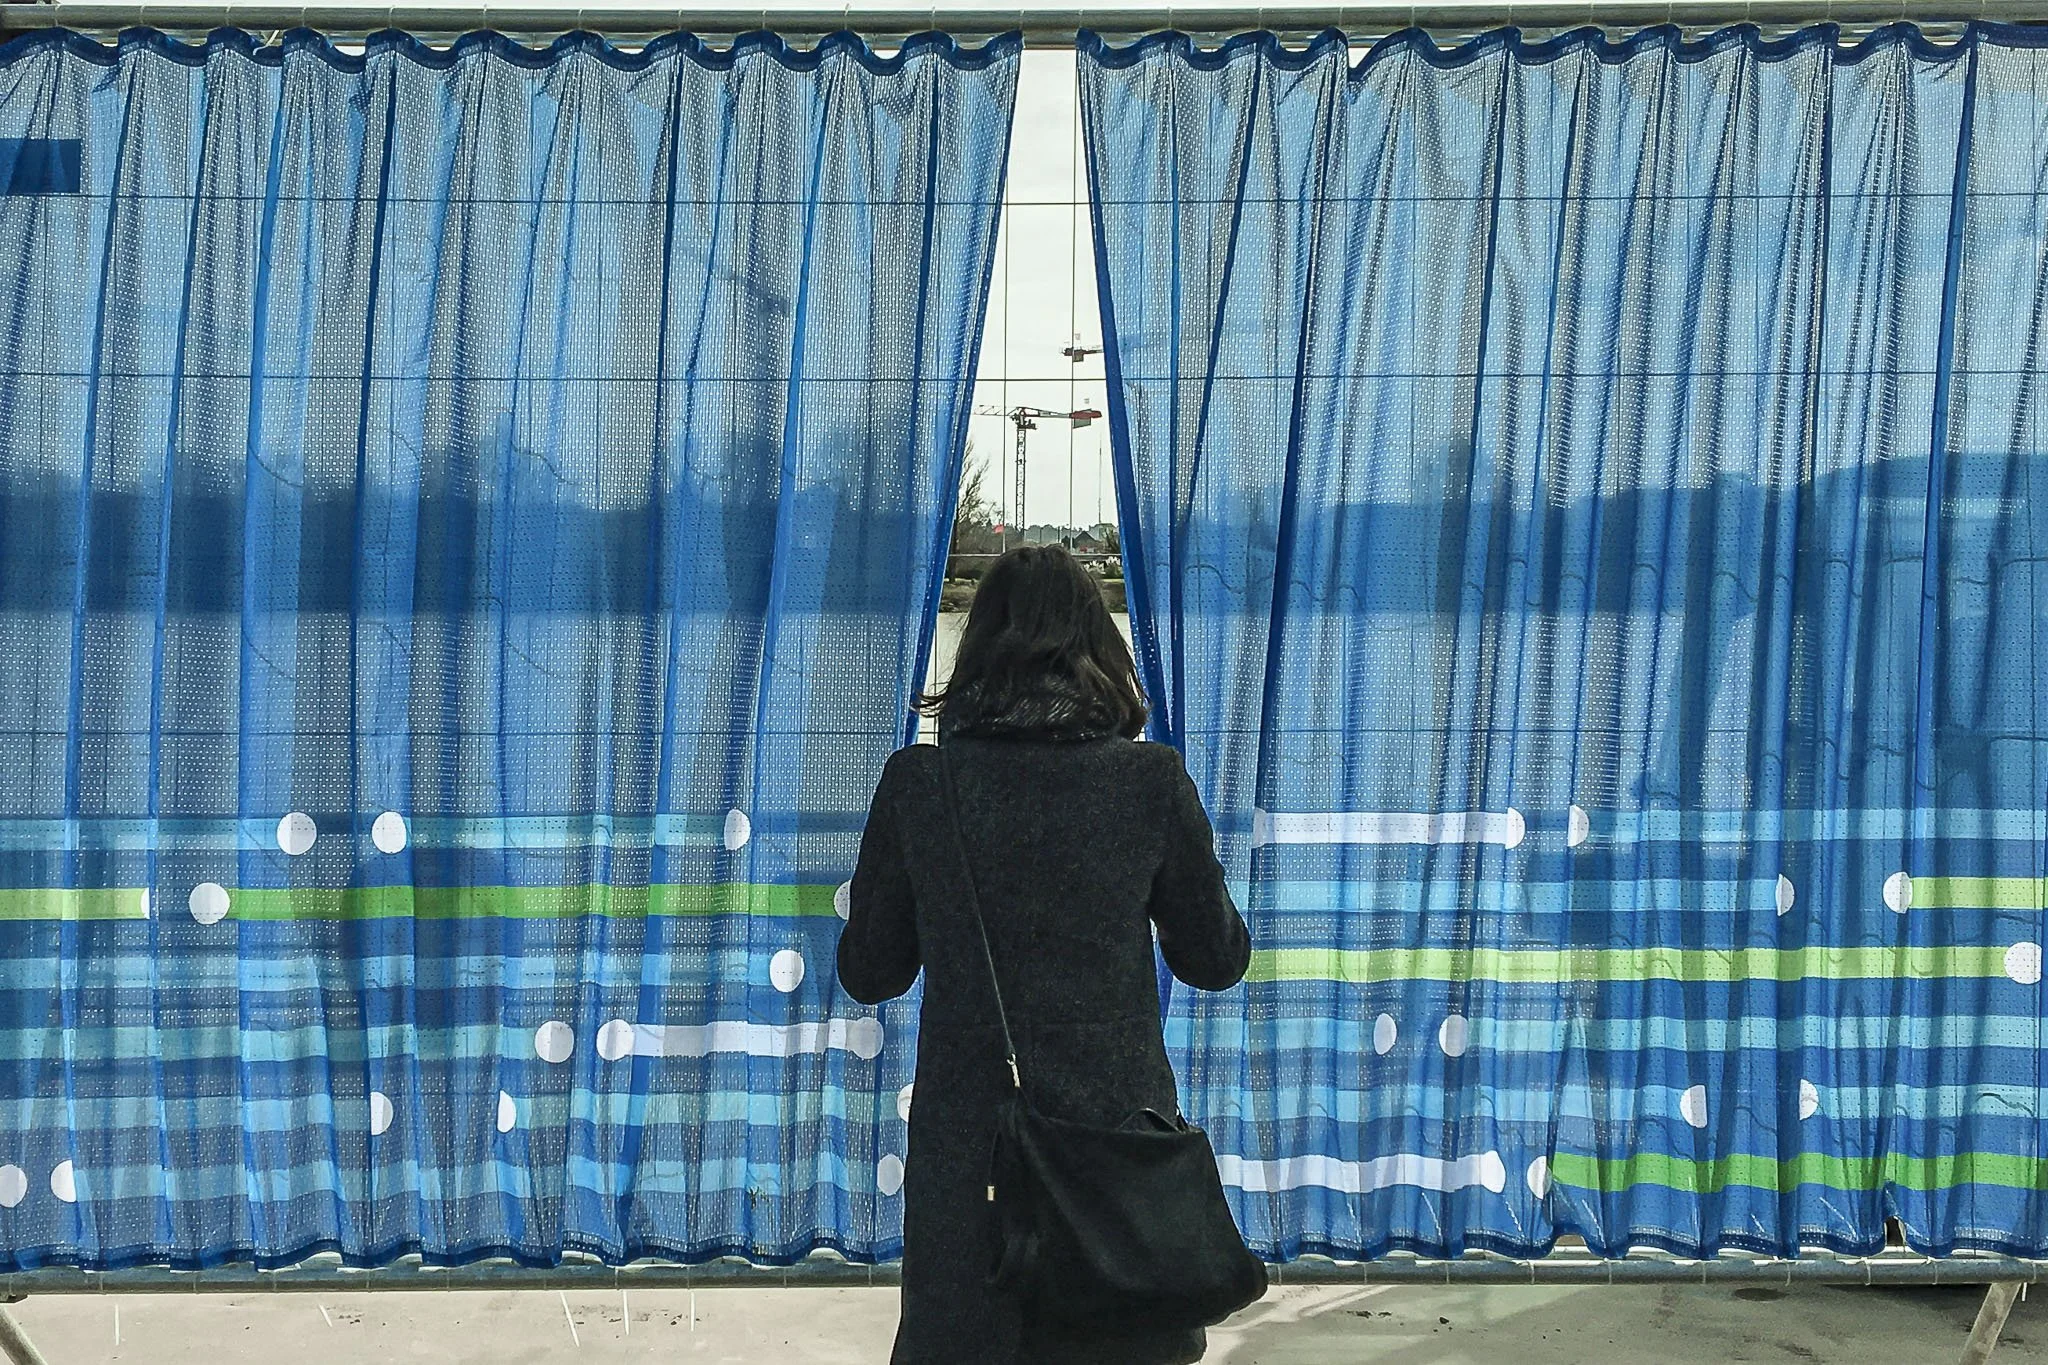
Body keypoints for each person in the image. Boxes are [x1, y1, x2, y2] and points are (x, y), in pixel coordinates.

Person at [837, 543, 1253, 1365]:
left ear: (979, 653)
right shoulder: (1150, 783)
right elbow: (1216, 958)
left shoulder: (922, 786)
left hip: (973, 1173)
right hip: (1118, 1171)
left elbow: (869, 971)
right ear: (1099, 652)